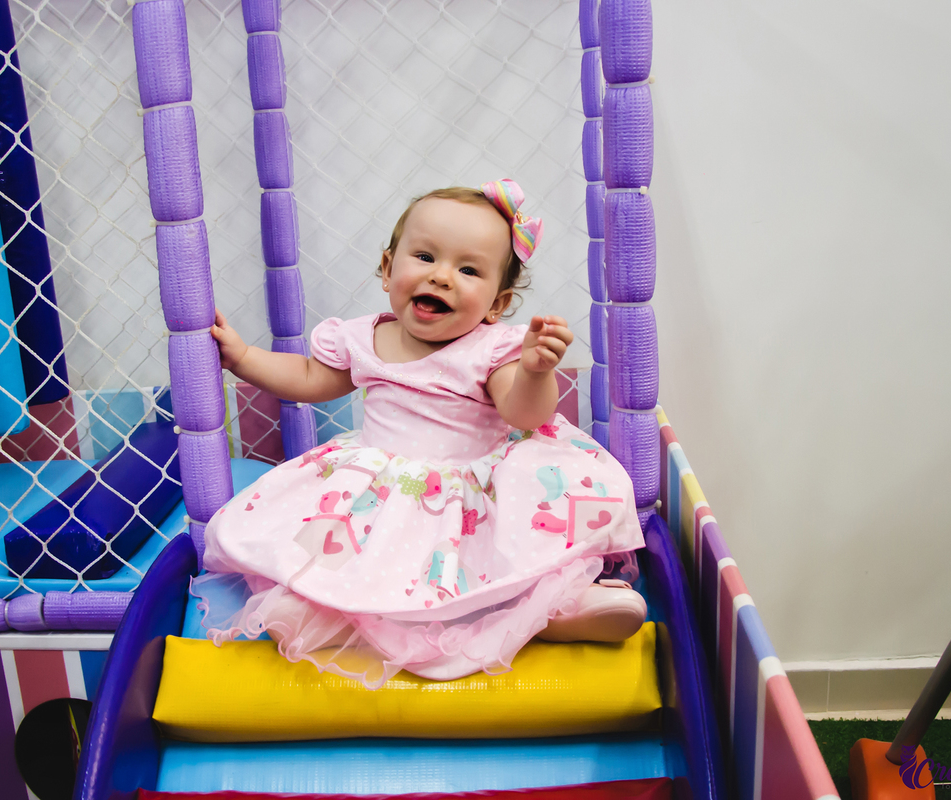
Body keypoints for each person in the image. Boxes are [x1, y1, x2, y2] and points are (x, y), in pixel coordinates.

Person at [196, 179, 647, 689]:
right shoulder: (365, 338)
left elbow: (523, 414)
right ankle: (320, 611)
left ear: (497, 304)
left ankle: (559, 605)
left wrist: (536, 371)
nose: (442, 276)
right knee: (344, 557)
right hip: (381, 487)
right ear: (388, 269)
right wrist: (243, 358)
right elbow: (308, 378)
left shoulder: (492, 349)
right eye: (426, 256)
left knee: (519, 552)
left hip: (474, 492)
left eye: (468, 269)